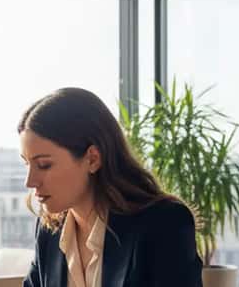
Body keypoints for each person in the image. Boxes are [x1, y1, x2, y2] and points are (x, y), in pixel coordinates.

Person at [19, 87, 202, 287]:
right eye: (27, 164)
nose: (30, 181)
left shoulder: (164, 224)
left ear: (92, 159)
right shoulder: (49, 232)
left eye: (44, 165)